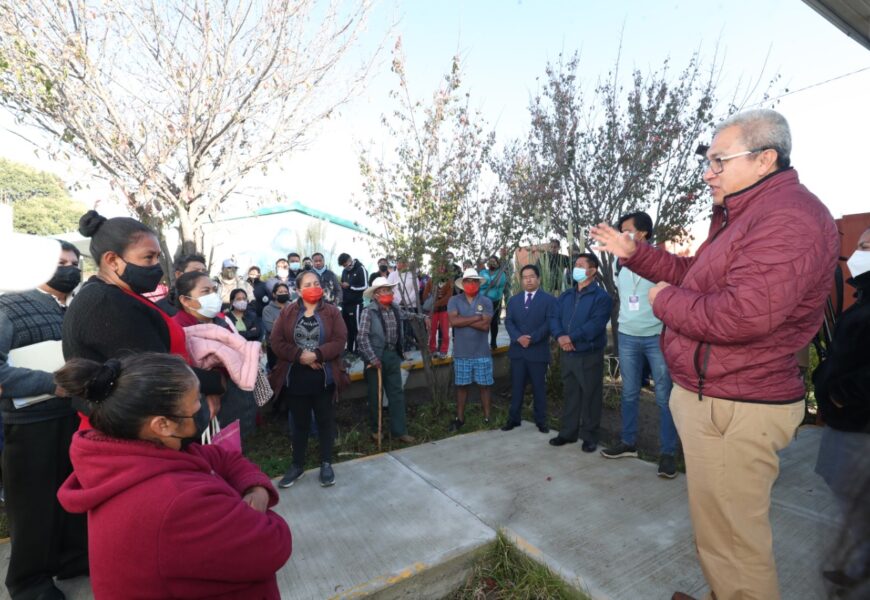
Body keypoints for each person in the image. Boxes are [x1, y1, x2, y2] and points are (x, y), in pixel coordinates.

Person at [590, 108, 839, 600]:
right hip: (721, 391)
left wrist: (663, 301)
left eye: (720, 161)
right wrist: (636, 253)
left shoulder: (787, 218)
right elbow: (695, 274)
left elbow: (741, 315)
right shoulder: (745, 216)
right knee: (721, 530)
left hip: (737, 401)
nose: (709, 172)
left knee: (733, 541)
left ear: (765, 158)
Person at [55, 353, 291, 599]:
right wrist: (252, 510)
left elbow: (221, 457)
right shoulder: (177, 502)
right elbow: (273, 542)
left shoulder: (135, 457)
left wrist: (255, 489)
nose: (203, 407)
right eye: (195, 404)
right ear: (162, 425)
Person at [63, 211, 225, 423]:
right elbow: (154, 370)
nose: (156, 266)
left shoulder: (120, 294)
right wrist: (216, 382)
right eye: (148, 257)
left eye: (158, 257)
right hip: (130, 428)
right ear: (112, 260)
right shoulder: (105, 302)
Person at [0, 241, 88, 600]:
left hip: (76, 418)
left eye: (73, 263)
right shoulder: (8, 306)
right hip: (30, 423)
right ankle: (29, 583)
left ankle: (72, 559)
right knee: (34, 506)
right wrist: (54, 384)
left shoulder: (79, 307)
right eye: (59, 263)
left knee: (73, 496)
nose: (68, 268)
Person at [600, 211, 678, 479]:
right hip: (628, 336)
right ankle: (628, 442)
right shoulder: (618, 263)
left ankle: (668, 453)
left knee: (664, 397)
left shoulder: (661, 260)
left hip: (657, 336)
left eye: (626, 230)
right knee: (629, 392)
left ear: (642, 233)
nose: (622, 235)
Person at [814, 227, 870, 595]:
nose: (856, 252)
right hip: (848, 421)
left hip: (858, 424)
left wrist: (840, 394)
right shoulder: (863, 299)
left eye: (865, 246)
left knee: (857, 499)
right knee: (850, 498)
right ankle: (860, 564)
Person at [270, 270, 347, 489]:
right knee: (300, 425)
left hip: (324, 377)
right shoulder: (287, 312)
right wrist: (300, 356)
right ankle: (297, 465)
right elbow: (276, 341)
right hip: (296, 378)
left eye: (316, 283)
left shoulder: (332, 312)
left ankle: (326, 462)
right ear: (298, 290)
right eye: (308, 284)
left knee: (325, 421)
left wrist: (317, 354)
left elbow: (340, 340)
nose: (313, 286)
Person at [548, 253, 612, 453]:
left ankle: (590, 436)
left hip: (588, 353)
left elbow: (596, 324)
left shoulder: (601, 297)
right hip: (568, 353)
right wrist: (560, 336)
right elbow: (554, 317)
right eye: (575, 264)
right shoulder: (566, 295)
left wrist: (571, 338)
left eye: (580, 265)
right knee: (571, 393)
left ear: (592, 271)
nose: (575, 268)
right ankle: (568, 433)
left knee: (591, 395)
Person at [358, 277, 416, 444]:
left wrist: (420, 317)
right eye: (385, 290)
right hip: (375, 357)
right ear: (376, 295)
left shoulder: (395, 308)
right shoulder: (369, 312)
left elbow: (406, 315)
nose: (389, 293)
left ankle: (400, 431)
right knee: (376, 395)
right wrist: (372, 358)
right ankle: (377, 431)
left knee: (396, 394)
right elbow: (362, 338)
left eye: (390, 290)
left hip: (392, 355)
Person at [501, 264, 556, 434]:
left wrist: (531, 338)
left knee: (539, 388)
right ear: (521, 280)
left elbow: (549, 323)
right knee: (516, 387)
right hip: (518, 352)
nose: (528, 280)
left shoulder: (549, 300)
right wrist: (519, 337)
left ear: (538, 278)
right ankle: (514, 419)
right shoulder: (514, 300)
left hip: (537, 351)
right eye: (525, 277)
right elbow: (509, 321)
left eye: (532, 276)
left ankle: (541, 421)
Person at [447, 269, 494, 431]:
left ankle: (488, 417)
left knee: (484, 386)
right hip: (461, 353)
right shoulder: (454, 300)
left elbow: (485, 326)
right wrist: (476, 317)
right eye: (468, 281)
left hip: (482, 352)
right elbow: (453, 321)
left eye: (474, 281)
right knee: (461, 386)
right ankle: (459, 418)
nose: (471, 284)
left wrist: (462, 320)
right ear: (463, 283)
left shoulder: (486, 301)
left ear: (478, 284)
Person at [338, 252, 368, 355]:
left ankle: (360, 350)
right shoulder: (344, 271)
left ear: (350, 259)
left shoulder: (361, 269)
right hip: (345, 304)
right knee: (347, 328)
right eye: (343, 266)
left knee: (357, 328)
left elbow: (365, 286)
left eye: (346, 264)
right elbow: (343, 286)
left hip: (356, 304)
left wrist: (350, 286)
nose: (346, 267)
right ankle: (349, 349)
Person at [387, 257, 419, 352]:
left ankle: (409, 346)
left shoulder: (412, 275)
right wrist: (399, 301)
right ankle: (400, 347)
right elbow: (389, 290)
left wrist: (406, 301)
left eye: (403, 262)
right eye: (399, 262)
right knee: (398, 328)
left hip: (411, 306)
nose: (401, 264)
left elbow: (415, 291)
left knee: (410, 327)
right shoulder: (392, 275)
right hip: (397, 306)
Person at [422, 261, 453, 358]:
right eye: (439, 266)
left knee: (445, 332)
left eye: (443, 266)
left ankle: (444, 350)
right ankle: (432, 349)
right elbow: (425, 295)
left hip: (444, 310)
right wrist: (430, 302)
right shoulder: (431, 280)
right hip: (433, 311)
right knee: (432, 331)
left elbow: (449, 296)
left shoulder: (449, 281)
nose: (441, 268)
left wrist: (436, 303)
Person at [479, 255, 509, 349]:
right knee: (484, 322)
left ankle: (493, 342)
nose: (492, 263)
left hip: (495, 301)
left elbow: (500, 284)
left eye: (494, 261)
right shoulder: (483, 272)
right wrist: (490, 284)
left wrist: (489, 283)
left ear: (498, 263)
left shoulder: (501, 274)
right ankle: (483, 342)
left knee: (493, 322)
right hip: (483, 300)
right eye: (490, 261)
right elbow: (480, 284)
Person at [262, 283, 290, 371]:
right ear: (274, 294)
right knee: (275, 372)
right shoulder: (267, 309)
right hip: (274, 347)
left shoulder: (293, 307)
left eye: (285, 292)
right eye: (280, 292)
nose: (283, 293)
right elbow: (270, 328)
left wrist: (277, 323)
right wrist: (288, 324)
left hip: (290, 346)